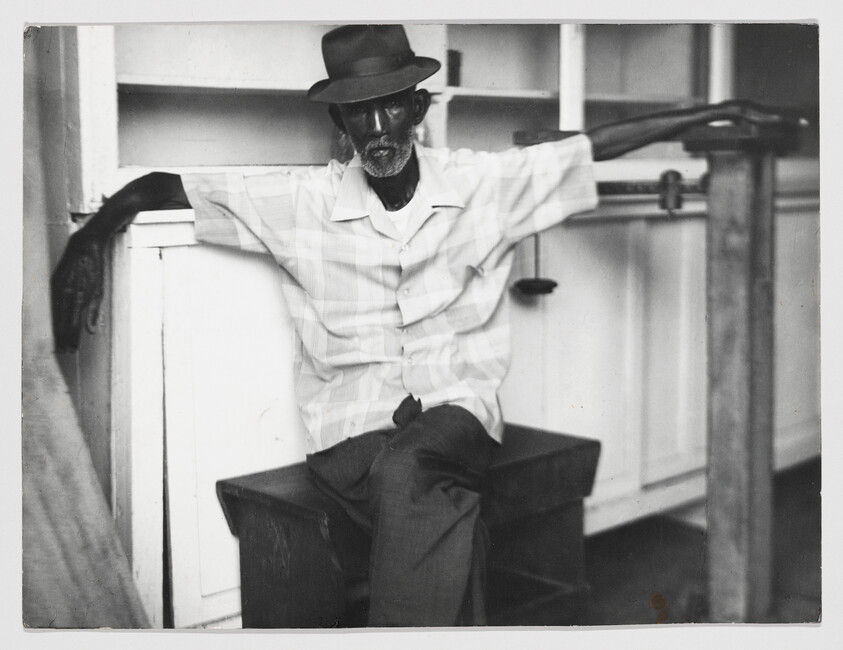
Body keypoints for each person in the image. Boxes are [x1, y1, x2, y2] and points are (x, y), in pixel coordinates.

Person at [50, 25, 793, 627]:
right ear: (339, 125)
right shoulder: (299, 201)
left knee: (415, 471)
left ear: (417, 108)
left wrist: (711, 113)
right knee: (435, 501)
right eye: (357, 113)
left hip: (455, 414)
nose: (376, 129)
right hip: (348, 431)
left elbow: (593, 147)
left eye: (390, 107)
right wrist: (88, 241)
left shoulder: (479, 184)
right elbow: (163, 183)